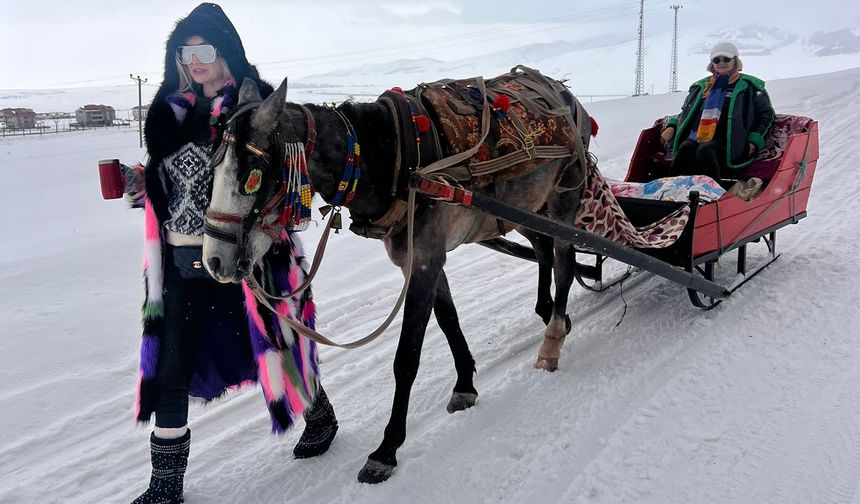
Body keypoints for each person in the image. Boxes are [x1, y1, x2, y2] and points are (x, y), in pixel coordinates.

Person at [130, 4, 337, 503]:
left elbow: (293, 187)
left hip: (249, 255)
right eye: (186, 51)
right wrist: (145, 184)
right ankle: (165, 485)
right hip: (180, 260)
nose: (195, 61)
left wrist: (281, 215)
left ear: (226, 51)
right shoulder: (170, 111)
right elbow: (171, 183)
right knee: (173, 363)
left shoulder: (258, 109)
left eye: (204, 50)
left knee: (275, 342)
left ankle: (319, 413)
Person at [660, 42, 775, 182]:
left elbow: (766, 115)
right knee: (686, 148)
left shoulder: (749, 87)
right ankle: (674, 190)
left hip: (731, 138)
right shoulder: (702, 87)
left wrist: (755, 139)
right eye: (717, 60)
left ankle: (711, 195)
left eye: (726, 59)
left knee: (706, 151)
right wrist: (672, 126)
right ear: (712, 63)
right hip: (699, 134)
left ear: (735, 61)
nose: (721, 63)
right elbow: (687, 112)